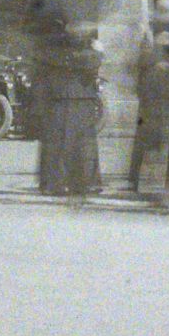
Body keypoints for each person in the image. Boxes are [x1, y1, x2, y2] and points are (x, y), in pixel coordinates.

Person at [34, 18, 103, 200]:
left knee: (78, 141)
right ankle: (65, 183)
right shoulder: (61, 44)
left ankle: (75, 183)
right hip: (64, 96)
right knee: (66, 141)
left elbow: (92, 63)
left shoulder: (85, 46)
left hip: (76, 96)